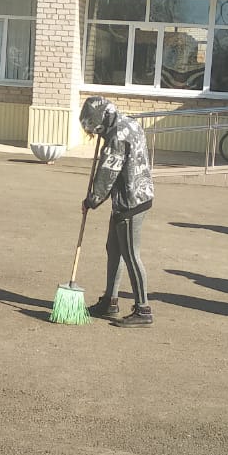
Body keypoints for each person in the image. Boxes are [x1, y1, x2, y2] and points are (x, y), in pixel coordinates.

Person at [79, 95, 155, 327]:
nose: (93, 134)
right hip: (132, 196)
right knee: (114, 249)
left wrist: (91, 200)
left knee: (131, 254)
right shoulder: (129, 123)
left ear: (100, 121)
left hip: (131, 201)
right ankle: (110, 302)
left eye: (93, 129)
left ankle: (143, 310)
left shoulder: (116, 136)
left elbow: (107, 174)